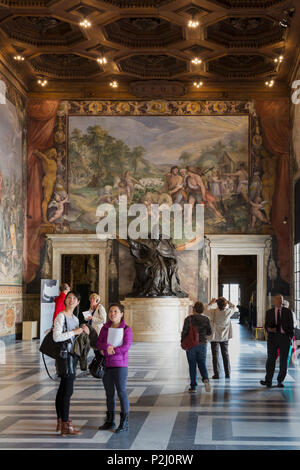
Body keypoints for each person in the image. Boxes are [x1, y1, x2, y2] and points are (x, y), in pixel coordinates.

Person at [53, 290, 90, 435]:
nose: (72, 300)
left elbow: (75, 336)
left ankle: (60, 422)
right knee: (67, 391)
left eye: (75, 298)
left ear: (78, 302)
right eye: (69, 297)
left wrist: (84, 330)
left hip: (72, 356)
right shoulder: (61, 316)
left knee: (63, 389)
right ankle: (66, 424)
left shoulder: (74, 318)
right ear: (65, 300)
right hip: (64, 357)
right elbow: (57, 337)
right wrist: (74, 332)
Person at [97, 303, 133, 433]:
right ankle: (110, 421)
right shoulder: (105, 328)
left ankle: (124, 422)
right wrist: (107, 348)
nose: (112, 313)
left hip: (120, 365)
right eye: (111, 311)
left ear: (121, 314)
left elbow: (126, 347)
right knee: (109, 394)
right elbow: (99, 342)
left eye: (115, 311)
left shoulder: (127, 329)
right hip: (106, 364)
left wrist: (111, 350)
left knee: (121, 392)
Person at [260, 293, 294, 388]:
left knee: (283, 361)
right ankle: (268, 380)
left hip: (284, 338)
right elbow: (266, 325)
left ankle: (280, 381)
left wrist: (289, 338)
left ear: (283, 301)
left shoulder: (288, 312)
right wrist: (269, 329)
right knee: (271, 360)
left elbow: (291, 326)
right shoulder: (269, 312)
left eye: (281, 299)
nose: (279, 300)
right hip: (272, 338)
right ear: (274, 301)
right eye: (277, 299)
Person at [181, 301, 212, 393]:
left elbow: (184, 332)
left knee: (192, 365)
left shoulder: (188, 319)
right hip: (202, 344)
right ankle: (205, 379)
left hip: (191, 345)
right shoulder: (206, 319)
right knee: (202, 362)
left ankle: (193, 386)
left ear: (194, 309)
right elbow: (209, 332)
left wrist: (182, 341)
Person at [205, 297, 235, 379]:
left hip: (215, 336)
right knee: (225, 354)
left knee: (215, 356)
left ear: (217, 304)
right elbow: (234, 307)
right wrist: (228, 302)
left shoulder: (213, 311)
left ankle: (217, 374)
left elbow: (205, 310)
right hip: (224, 337)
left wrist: (211, 302)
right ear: (225, 304)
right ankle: (227, 373)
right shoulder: (228, 312)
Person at [79, 292, 107, 359]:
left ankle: (100, 360)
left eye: (93, 299)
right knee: (94, 346)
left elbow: (103, 320)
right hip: (91, 330)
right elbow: (86, 318)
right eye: (91, 298)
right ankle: (97, 359)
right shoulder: (91, 308)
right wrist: (88, 314)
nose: (91, 300)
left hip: (98, 330)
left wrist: (93, 318)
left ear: (97, 300)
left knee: (98, 347)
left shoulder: (100, 307)